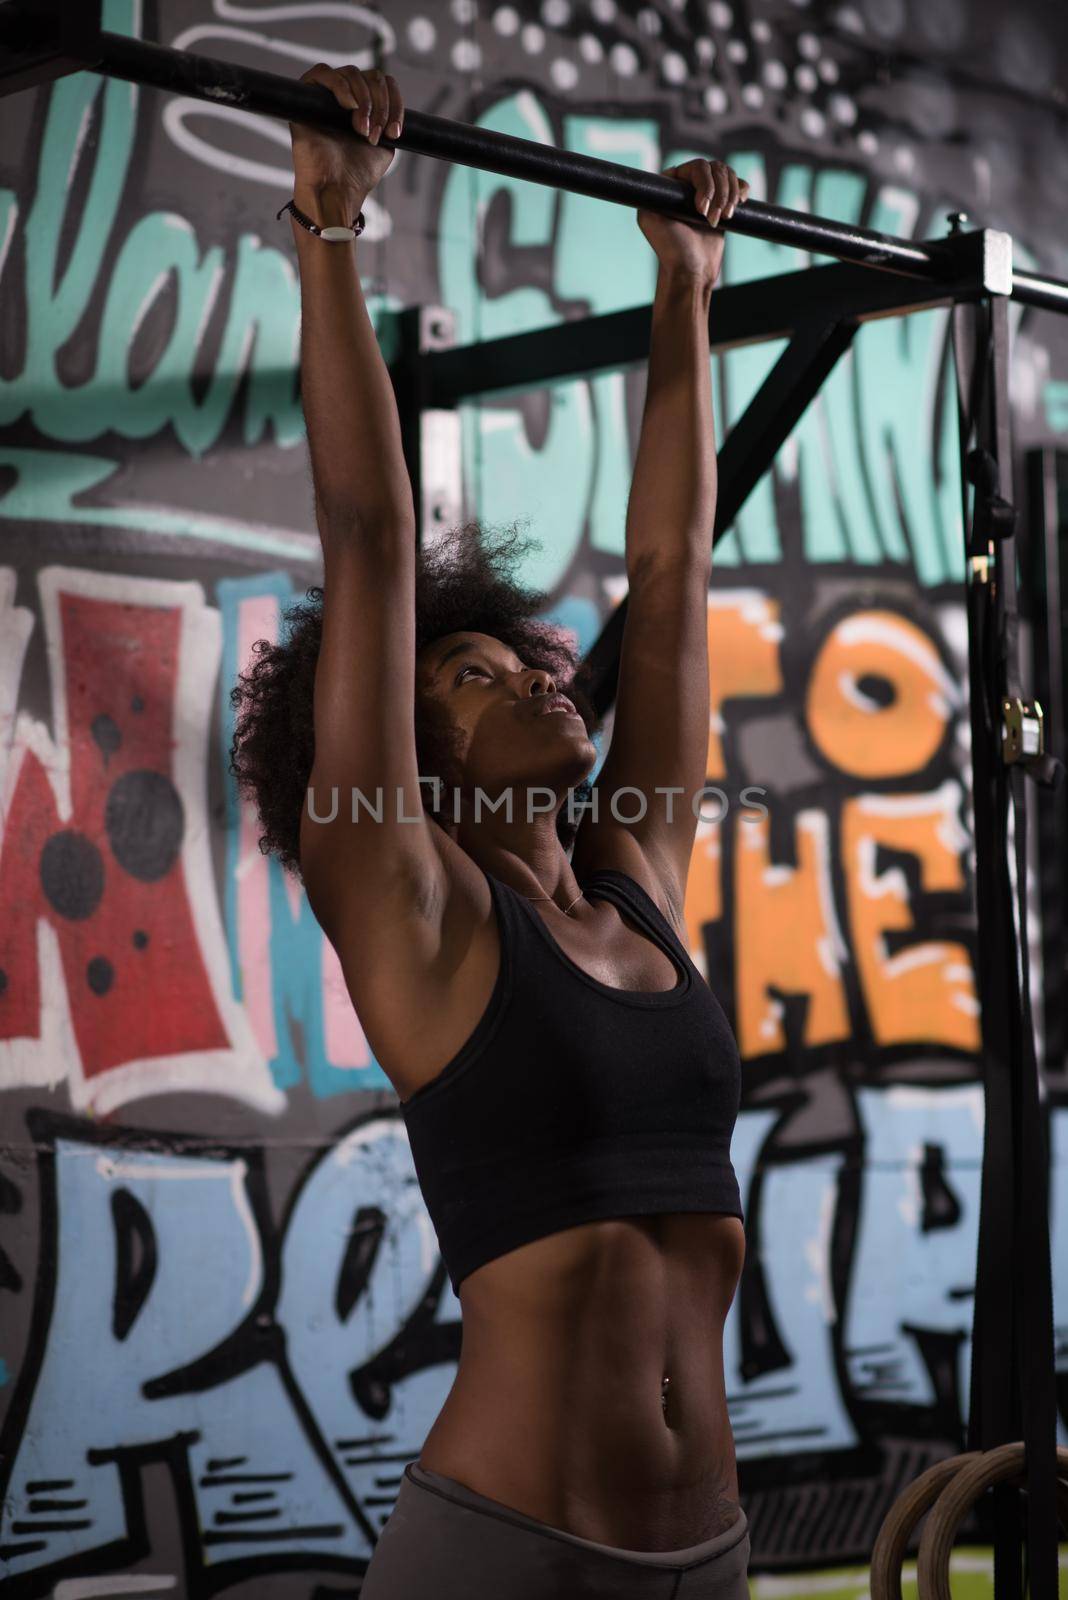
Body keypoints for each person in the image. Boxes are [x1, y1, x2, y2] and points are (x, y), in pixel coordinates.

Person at [230, 61, 752, 1599]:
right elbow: (372, 543)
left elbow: (669, 584)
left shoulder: (638, 879)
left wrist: (686, 293)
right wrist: (330, 226)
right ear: (419, 753)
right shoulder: (412, 906)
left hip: (710, 1552)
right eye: (481, 673)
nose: (539, 674)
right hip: (511, 1555)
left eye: (534, 660)